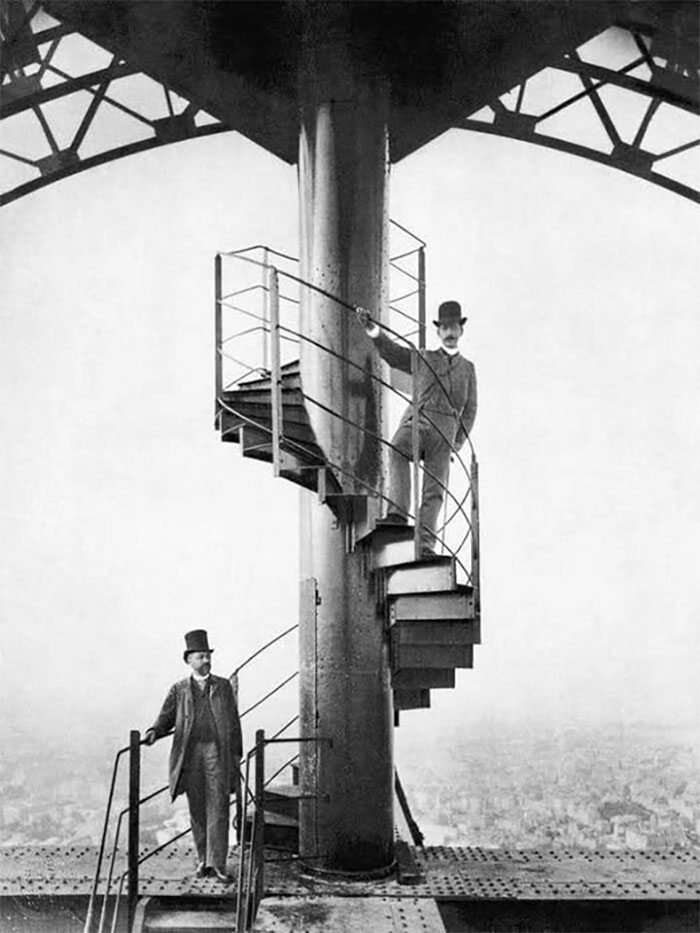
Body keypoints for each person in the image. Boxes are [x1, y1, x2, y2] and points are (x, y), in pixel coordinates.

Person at [356, 300, 477, 557]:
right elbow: (392, 353)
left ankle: (424, 547)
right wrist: (372, 329)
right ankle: (398, 514)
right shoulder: (423, 357)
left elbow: (470, 412)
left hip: (445, 433)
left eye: (454, 326)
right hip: (419, 422)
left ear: (461, 330)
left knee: (434, 493)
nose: (450, 332)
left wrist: (455, 443)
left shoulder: (468, 369)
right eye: (445, 327)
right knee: (398, 448)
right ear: (438, 331)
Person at [144, 629, 242, 883]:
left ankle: (218, 863)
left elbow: (234, 723)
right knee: (197, 809)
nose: (206, 661)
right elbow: (166, 717)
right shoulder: (179, 690)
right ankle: (203, 861)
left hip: (216, 753)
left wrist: (236, 755)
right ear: (188, 660)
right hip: (190, 756)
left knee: (219, 806)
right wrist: (155, 731)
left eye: (207, 656)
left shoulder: (223, 687)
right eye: (200, 657)